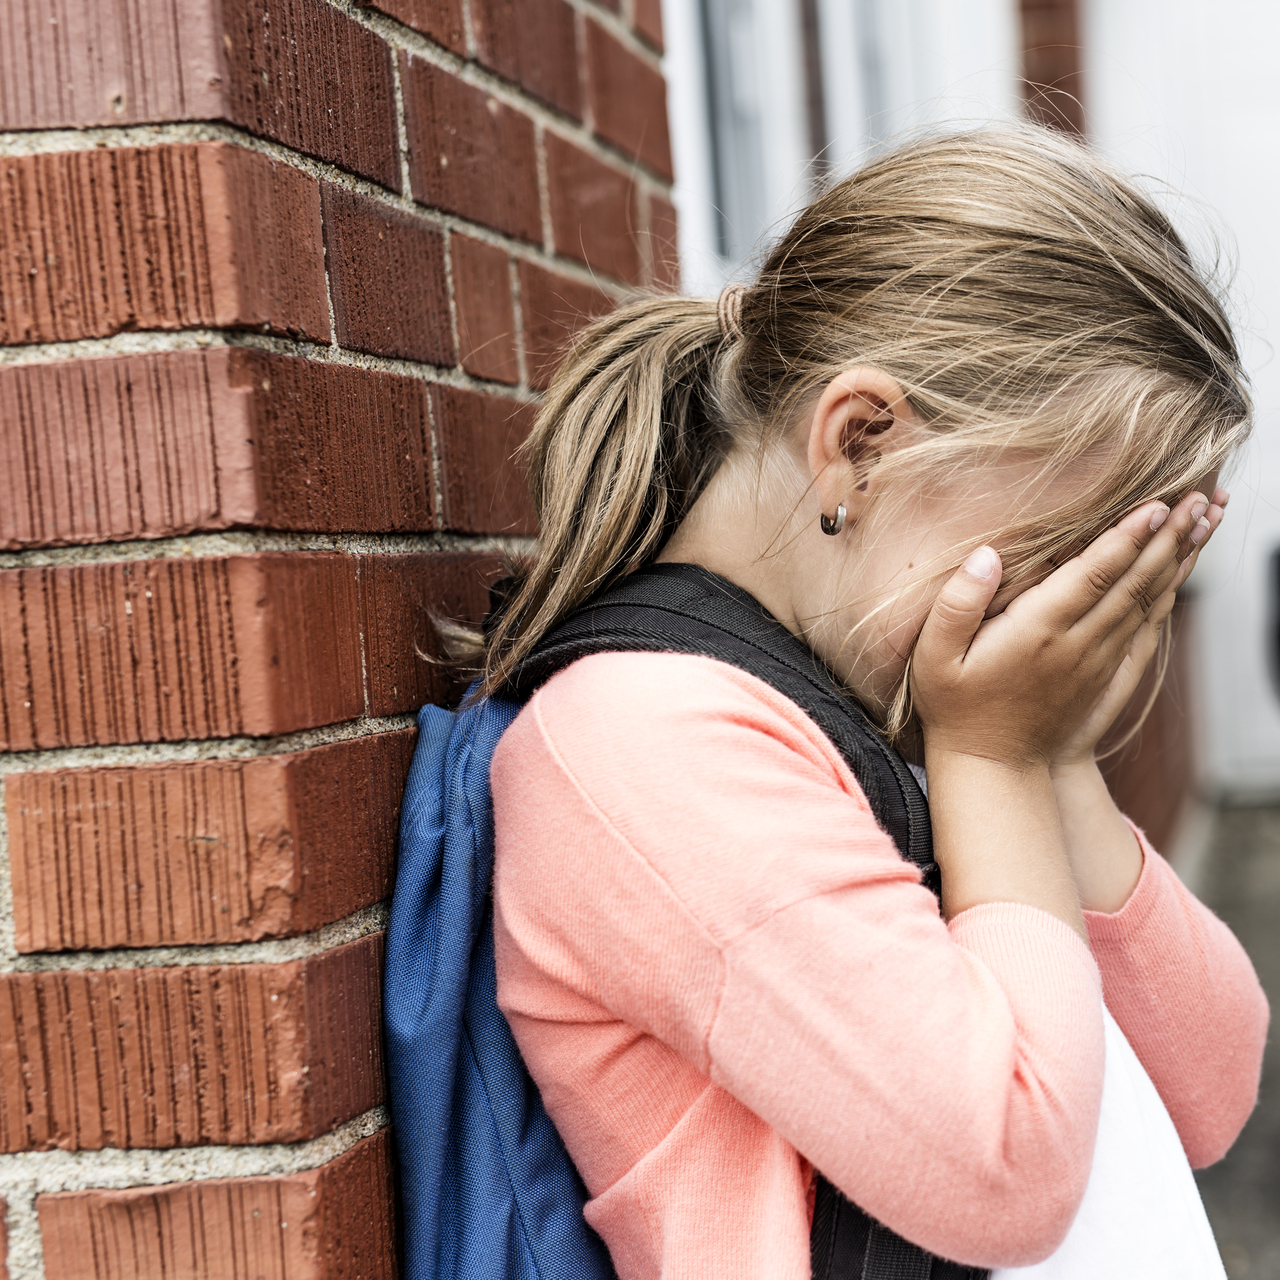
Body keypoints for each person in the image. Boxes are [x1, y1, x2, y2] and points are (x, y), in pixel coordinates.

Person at [478, 128, 1269, 1278]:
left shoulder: (902, 711)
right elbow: (1003, 1170)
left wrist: (1049, 758)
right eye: (1048, 554)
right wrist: (995, 757)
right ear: (858, 444)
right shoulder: (643, 741)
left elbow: (1208, 1087)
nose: (1058, 618)